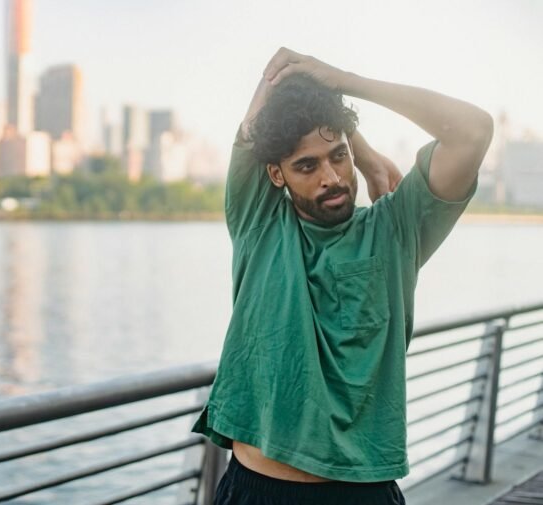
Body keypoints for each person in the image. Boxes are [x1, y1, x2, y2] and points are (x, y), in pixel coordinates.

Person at [191, 47, 493, 504]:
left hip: (362, 493)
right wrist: (359, 145)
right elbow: (281, 70)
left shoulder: (395, 229)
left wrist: (347, 85)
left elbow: (473, 131)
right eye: (307, 166)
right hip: (256, 490)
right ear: (276, 174)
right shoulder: (259, 223)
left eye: (338, 156)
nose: (331, 177)